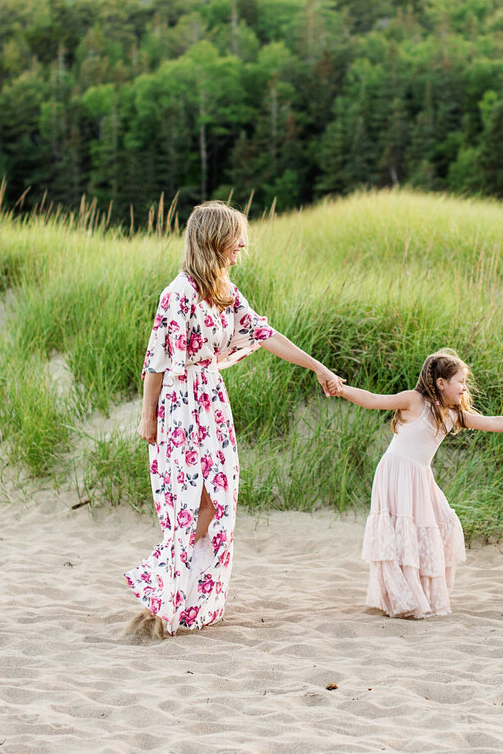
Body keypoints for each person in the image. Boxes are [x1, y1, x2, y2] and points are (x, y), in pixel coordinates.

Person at [124, 201, 344, 637]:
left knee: (218, 501)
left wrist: (318, 367)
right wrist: (148, 418)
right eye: (235, 237)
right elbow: (156, 360)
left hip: (211, 403)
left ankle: (182, 595)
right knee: (192, 502)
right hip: (181, 405)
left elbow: (266, 334)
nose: (243, 244)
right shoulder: (178, 294)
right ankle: (162, 584)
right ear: (213, 240)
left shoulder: (224, 291)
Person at [334, 349, 503, 618]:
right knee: (402, 529)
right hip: (397, 472)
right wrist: (341, 390)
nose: (465, 388)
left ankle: (419, 592)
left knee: (442, 521)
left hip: (420, 476)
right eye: (461, 382)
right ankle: (402, 597)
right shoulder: (414, 400)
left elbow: (494, 422)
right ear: (442, 383)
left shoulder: (452, 414)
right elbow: (372, 400)